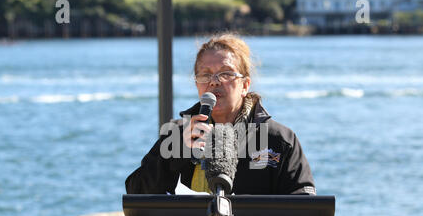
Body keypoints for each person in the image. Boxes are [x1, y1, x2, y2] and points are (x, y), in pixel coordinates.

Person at [125, 33, 316, 195]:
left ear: (245, 85)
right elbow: (136, 192)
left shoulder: (279, 140)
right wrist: (178, 152)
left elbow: (305, 208)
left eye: (226, 74)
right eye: (205, 75)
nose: (214, 82)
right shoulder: (177, 134)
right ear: (197, 85)